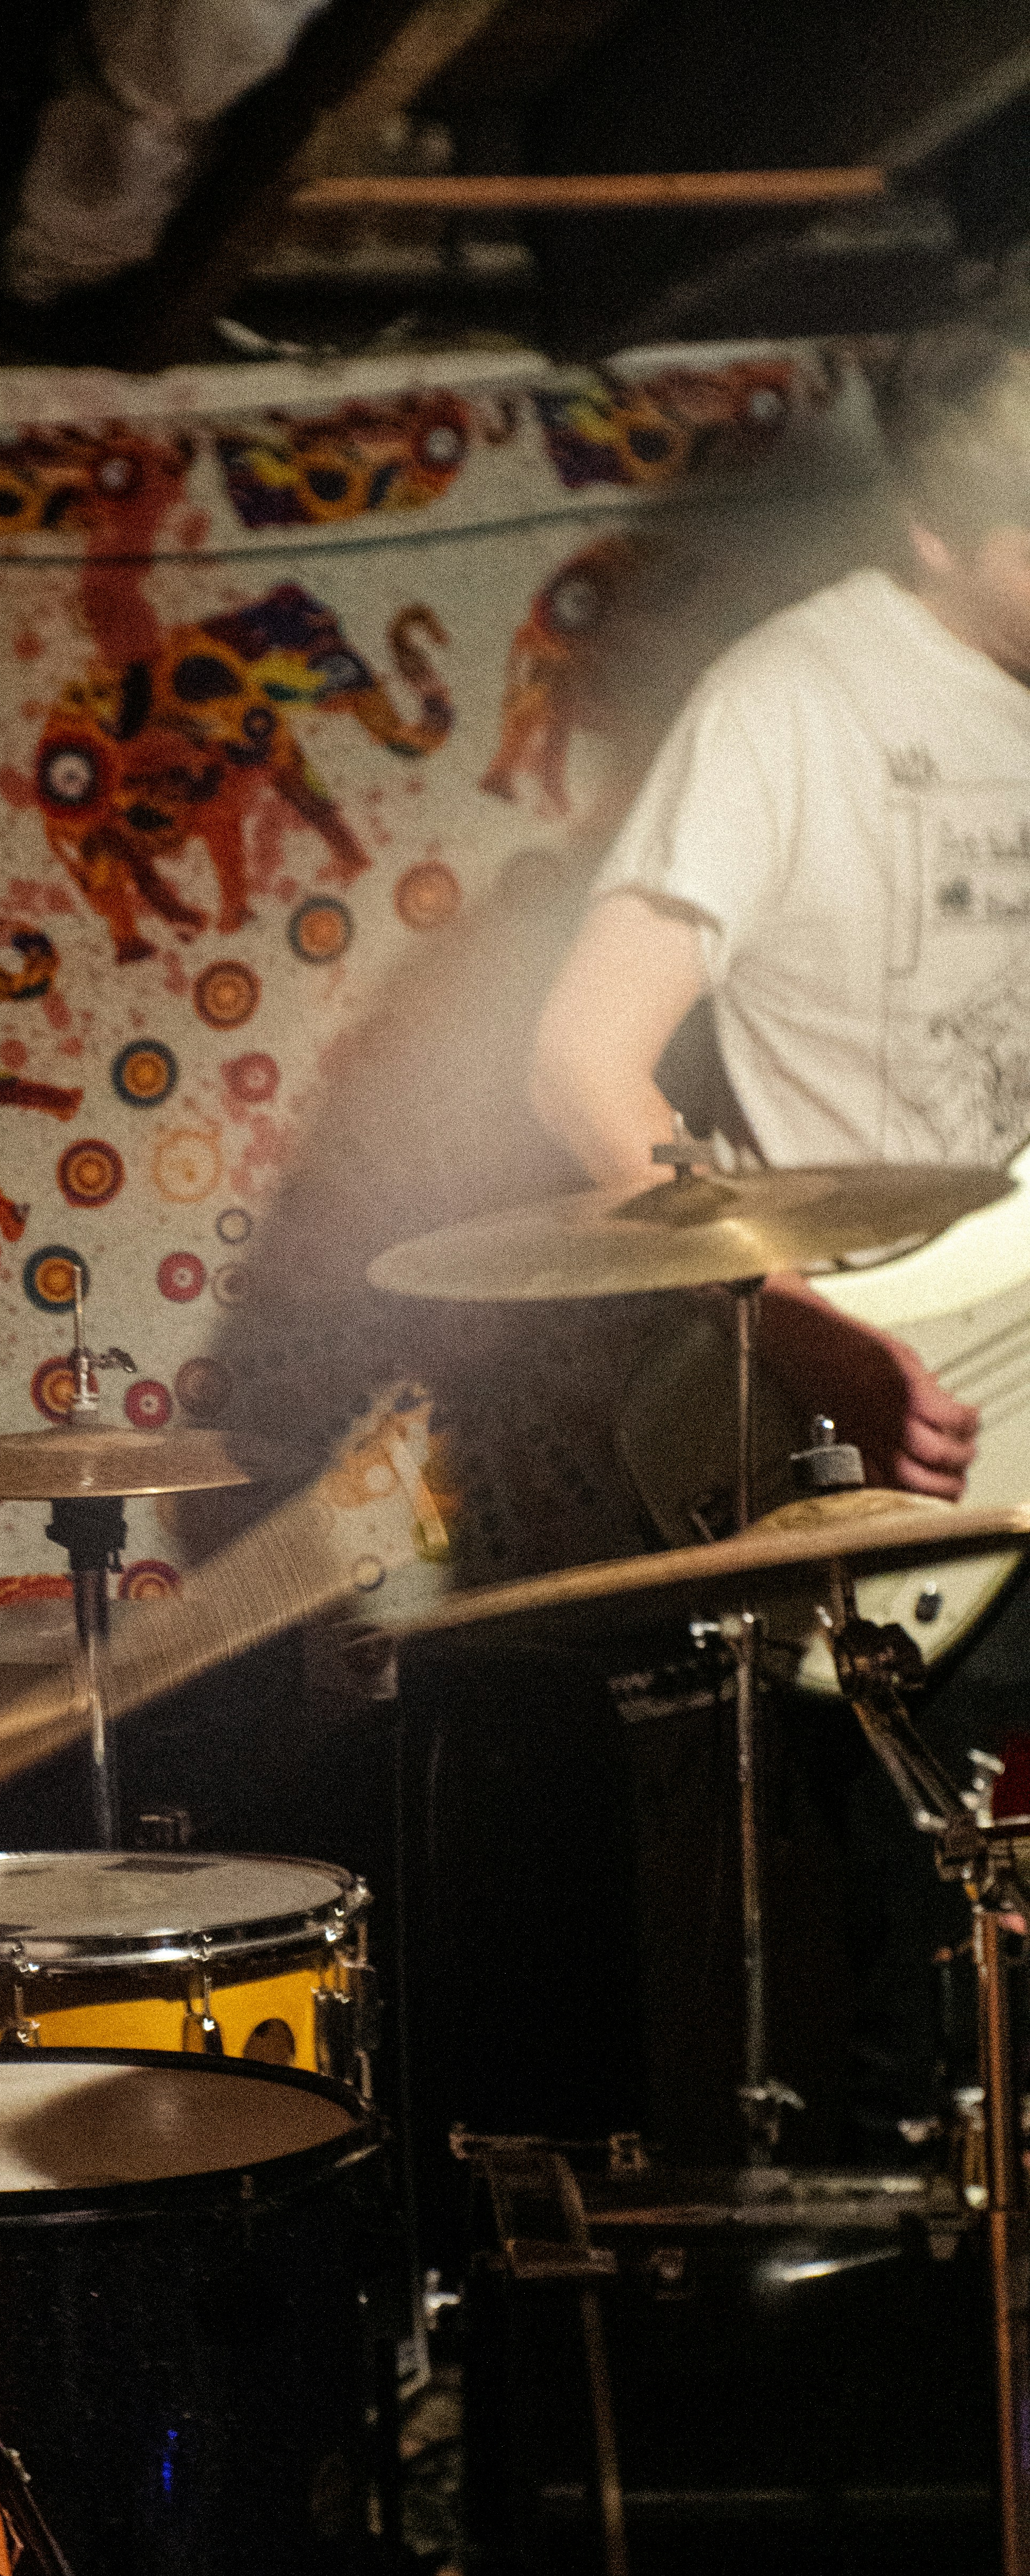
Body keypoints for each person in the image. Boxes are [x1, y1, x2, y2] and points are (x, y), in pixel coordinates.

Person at [529, 322, 1030, 2146]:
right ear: (930, 527)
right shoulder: (799, 700)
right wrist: (796, 1321)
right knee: (939, 2040)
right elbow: (584, 1065)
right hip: (901, 1442)